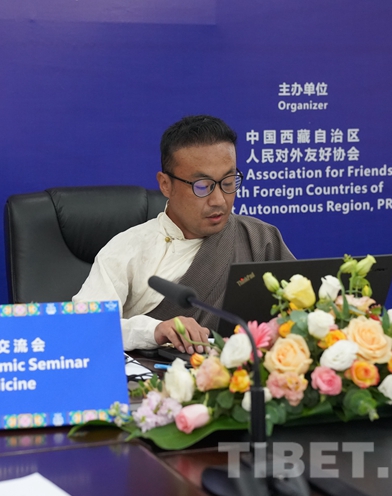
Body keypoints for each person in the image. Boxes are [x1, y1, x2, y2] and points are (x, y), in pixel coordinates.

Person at [73, 115, 294, 354]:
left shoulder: (259, 239)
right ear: (165, 184)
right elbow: (84, 327)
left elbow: (306, 313)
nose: (219, 200)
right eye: (202, 186)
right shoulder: (127, 249)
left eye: (228, 182)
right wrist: (154, 331)